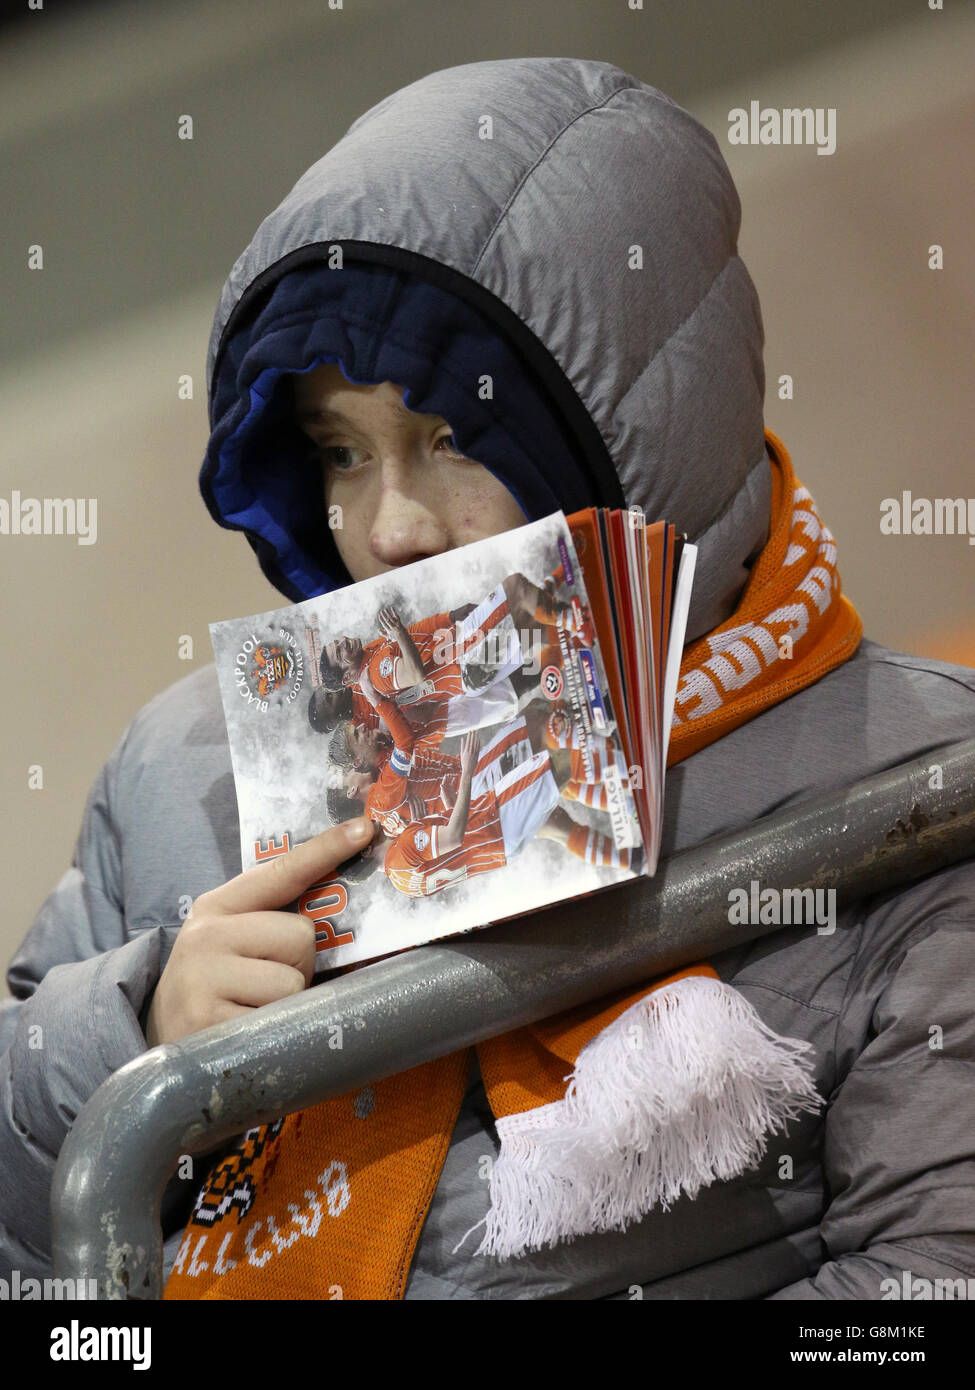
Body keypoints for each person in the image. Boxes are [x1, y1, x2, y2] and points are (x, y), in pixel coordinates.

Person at [2, 58, 973, 1300]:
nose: (390, 528)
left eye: (453, 438)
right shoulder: (187, 772)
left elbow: (933, 1282)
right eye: (340, 453)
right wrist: (132, 1041)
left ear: (624, 441)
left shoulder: (920, 789)